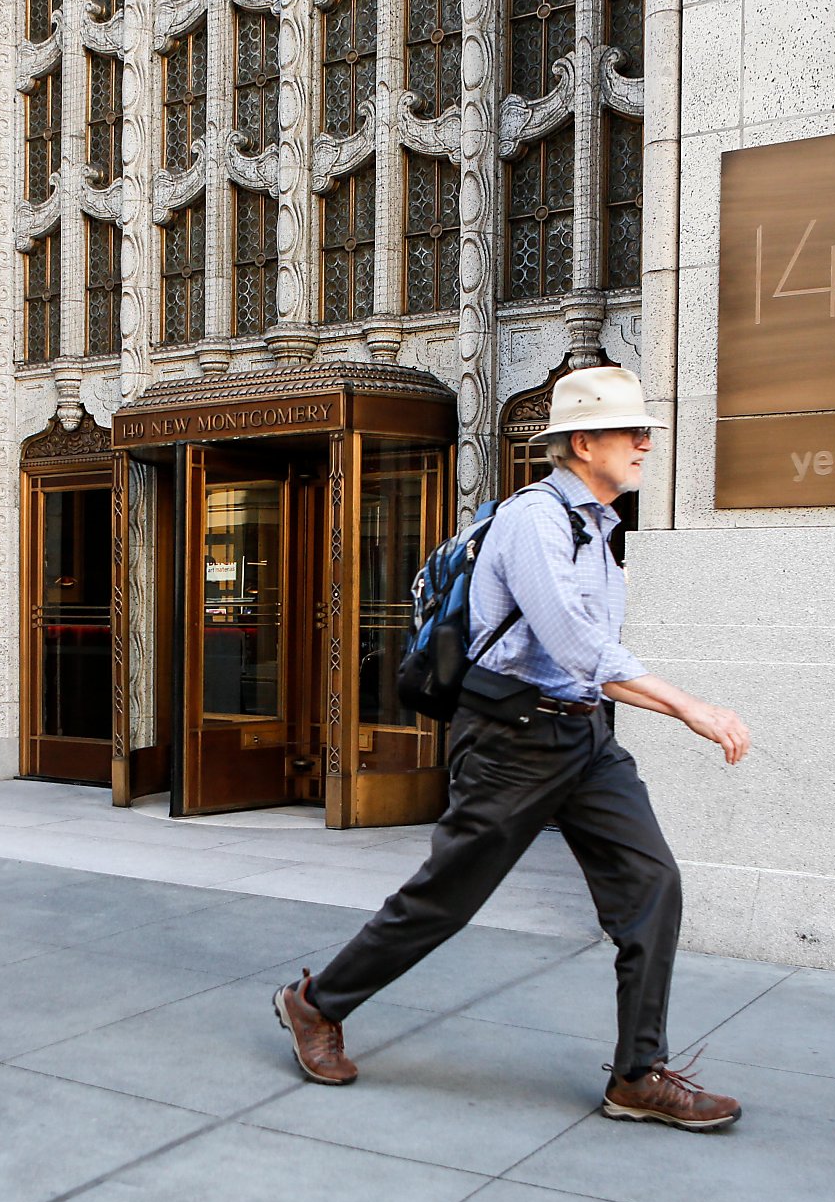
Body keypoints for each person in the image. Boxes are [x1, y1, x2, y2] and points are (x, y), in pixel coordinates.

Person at [273, 366, 755, 1132]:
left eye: (646, 432)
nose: (644, 445)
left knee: (652, 883)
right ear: (582, 442)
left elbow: (590, 655)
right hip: (511, 740)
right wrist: (688, 706)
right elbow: (572, 642)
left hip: (583, 735)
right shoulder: (534, 519)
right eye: (631, 432)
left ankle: (636, 1074)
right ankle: (314, 1003)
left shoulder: (599, 526)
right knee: (445, 900)